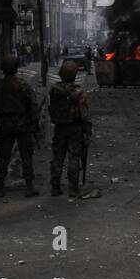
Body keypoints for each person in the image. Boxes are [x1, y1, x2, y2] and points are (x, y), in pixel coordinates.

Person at [0, 53, 39, 198]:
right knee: (26, 156)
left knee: (3, 155)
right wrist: (35, 124)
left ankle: (0, 187)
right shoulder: (23, 85)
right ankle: (29, 186)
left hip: (6, 124)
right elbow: (33, 106)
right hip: (23, 124)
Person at [49, 60, 96, 198]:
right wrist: (87, 132)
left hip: (59, 127)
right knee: (74, 158)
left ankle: (55, 187)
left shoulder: (54, 90)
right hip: (75, 128)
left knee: (58, 157)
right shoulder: (78, 91)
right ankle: (73, 189)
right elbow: (84, 113)